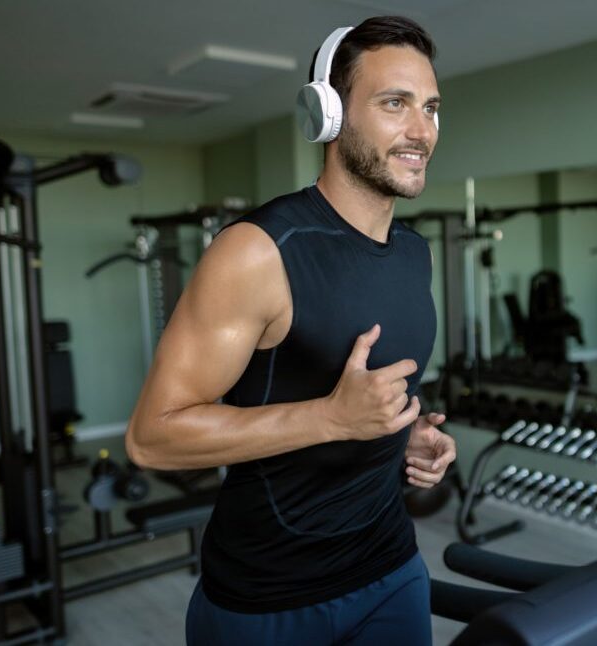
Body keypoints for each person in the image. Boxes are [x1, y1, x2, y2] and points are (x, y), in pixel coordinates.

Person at [126, 15, 454, 646]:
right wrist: (331, 419)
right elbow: (152, 438)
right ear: (328, 114)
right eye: (395, 104)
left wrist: (406, 436)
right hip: (268, 599)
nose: (422, 131)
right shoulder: (258, 251)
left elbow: (355, 395)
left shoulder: (415, 252)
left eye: (432, 108)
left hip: (392, 568)